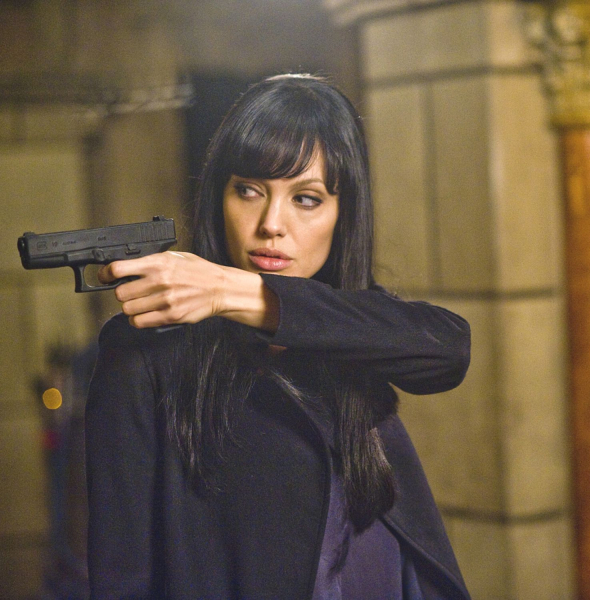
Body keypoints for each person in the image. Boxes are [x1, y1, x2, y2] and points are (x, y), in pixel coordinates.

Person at [85, 74, 471, 599]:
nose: (271, 223)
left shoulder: (353, 323)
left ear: (343, 215)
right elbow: (122, 576)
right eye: (249, 190)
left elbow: (449, 348)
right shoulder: (144, 351)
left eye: (306, 199)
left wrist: (236, 291)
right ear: (219, 197)